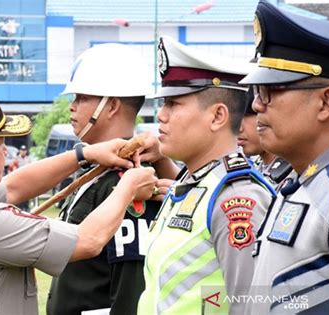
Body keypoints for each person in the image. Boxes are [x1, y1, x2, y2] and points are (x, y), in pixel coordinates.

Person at [0, 85, 157, 314]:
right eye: (1, 145)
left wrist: (85, 153)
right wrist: (129, 186)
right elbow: (88, 241)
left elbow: (12, 187)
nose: (4, 152)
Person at [238, 1, 329, 313]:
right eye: (256, 91)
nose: (257, 105)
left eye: (270, 90)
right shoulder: (304, 176)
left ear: (325, 102)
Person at [137, 36, 275, 315]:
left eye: (173, 104)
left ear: (217, 116)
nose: (161, 116)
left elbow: (253, 305)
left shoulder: (236, 197)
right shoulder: (193, 184)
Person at [47, 43, 162, 315]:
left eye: (82, 98)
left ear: (111, 106)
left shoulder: (125, 181)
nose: (72, 108)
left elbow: (130, 290)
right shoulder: (95, 172)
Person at [238, 88, 292, 189]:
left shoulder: (290, 172)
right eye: (236, 118)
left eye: (246, 116)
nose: (239, 128)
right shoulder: (253, 167)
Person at [8, 145, 33, 210]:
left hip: (27, 180)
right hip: (18, 180)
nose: (23, 152)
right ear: (20, 151)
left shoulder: (28, 159)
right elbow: (12, 170)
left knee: (26, 196)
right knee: (19, 196)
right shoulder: (16, 159)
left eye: (24, 150)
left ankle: (26, 208)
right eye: (22, 150)